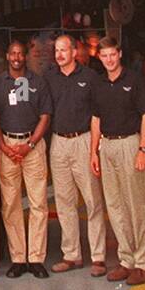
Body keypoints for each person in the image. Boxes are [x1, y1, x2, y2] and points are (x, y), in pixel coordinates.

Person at [90, 36, 145, 286]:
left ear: (119, 54)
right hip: (108, 146)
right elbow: (95, 119)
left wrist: (142, 149)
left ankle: (143, 263)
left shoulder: (134, 80)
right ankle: (126, 260)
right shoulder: (99, 84)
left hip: (130, 143)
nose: (108, 60)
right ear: (100, 58)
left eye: (112, 55)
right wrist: (93, 152)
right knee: (115, 206)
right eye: (104, 56)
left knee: (135, 204)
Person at [46, 33, 107, 276]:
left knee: (93, 200)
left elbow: (98, 115)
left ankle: (99, 256)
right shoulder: (49, 77)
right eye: (57, 50)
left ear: (74, 52)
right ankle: (71, 254)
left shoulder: (90, 77)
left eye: (64, 50)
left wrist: (94, 149)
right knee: (64, 202)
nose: (59, 54)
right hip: (58, 142)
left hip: (83, 141)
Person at [0, 39, 51, 278]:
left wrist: (30, 144)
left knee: (38, 203)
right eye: (12, 53)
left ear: (25, 57)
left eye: (20, 53)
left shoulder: (37, 82)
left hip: (32, 146)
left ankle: (36, 258)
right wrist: (3, 146)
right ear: (7, 56)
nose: (16, 57)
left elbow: (45, 116)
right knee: (11, 204)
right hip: (7, 145)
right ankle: (18, 258)